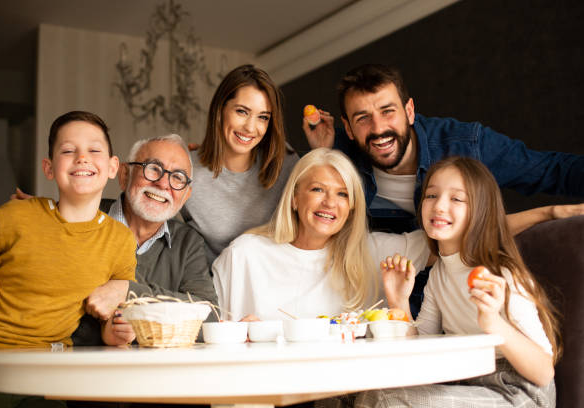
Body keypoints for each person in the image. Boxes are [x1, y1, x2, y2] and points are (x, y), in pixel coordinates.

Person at [303, 63, 584, 314]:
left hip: (467, 283)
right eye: (363, 118)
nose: (378, 128)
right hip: (395, 295)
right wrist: (323, 155)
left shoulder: (466, 144)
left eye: (388, 112)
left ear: (409, 111)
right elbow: (315, 229)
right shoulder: (340, 156)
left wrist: (555, 212)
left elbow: (552, 169)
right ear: (349, 128)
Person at [354, 157, 558, 407]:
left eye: (456, 199)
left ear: (480, 210)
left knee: (384, 400)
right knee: (347, 392)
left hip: (520, 393)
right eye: (431, 196)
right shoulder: (439, 274)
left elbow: (544, 372)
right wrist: (399, 301)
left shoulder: (501, 273)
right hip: (467, 384)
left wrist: (494, 323)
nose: (439, 206)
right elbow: (420, 347)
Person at [0, 111, 137, 407]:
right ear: (49, 168)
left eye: (94, 150)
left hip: (43, 363)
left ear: (113, 167)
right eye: (68, 150)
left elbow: (112, 325)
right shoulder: (11, 217)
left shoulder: (120, 241)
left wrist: (119, 331)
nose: (82, 158)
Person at [212, 148, 429, 321]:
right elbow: (205, 332)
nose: (330, 203)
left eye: (342, 194)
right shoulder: (244, 254)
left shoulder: (373, 251)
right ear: (294, 198)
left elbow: (446, 243)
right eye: (317, 189)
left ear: (352, 206)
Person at [180, 64, 299, 265]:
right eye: (242, 112)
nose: (251, 127)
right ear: (220, 109)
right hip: (214, 289)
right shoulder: (185, 169)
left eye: (263, 117)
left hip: (278, 281)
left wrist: (322, 147)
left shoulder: (285, 162)